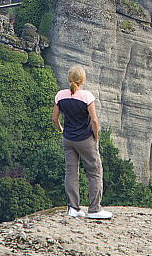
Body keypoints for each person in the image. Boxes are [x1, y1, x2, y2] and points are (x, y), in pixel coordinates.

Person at [52, 65, 112, 219]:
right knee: (94, 171)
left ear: (69, 79)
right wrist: (96, 137)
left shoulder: (60, 95)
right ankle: (94, 209)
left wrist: (61, 130)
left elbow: (54, 118)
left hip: (68, 139)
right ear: (82, 80)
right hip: (85, 139)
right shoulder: (87, 96)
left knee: (71, 172)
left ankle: (73, 208)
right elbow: (94, 120)